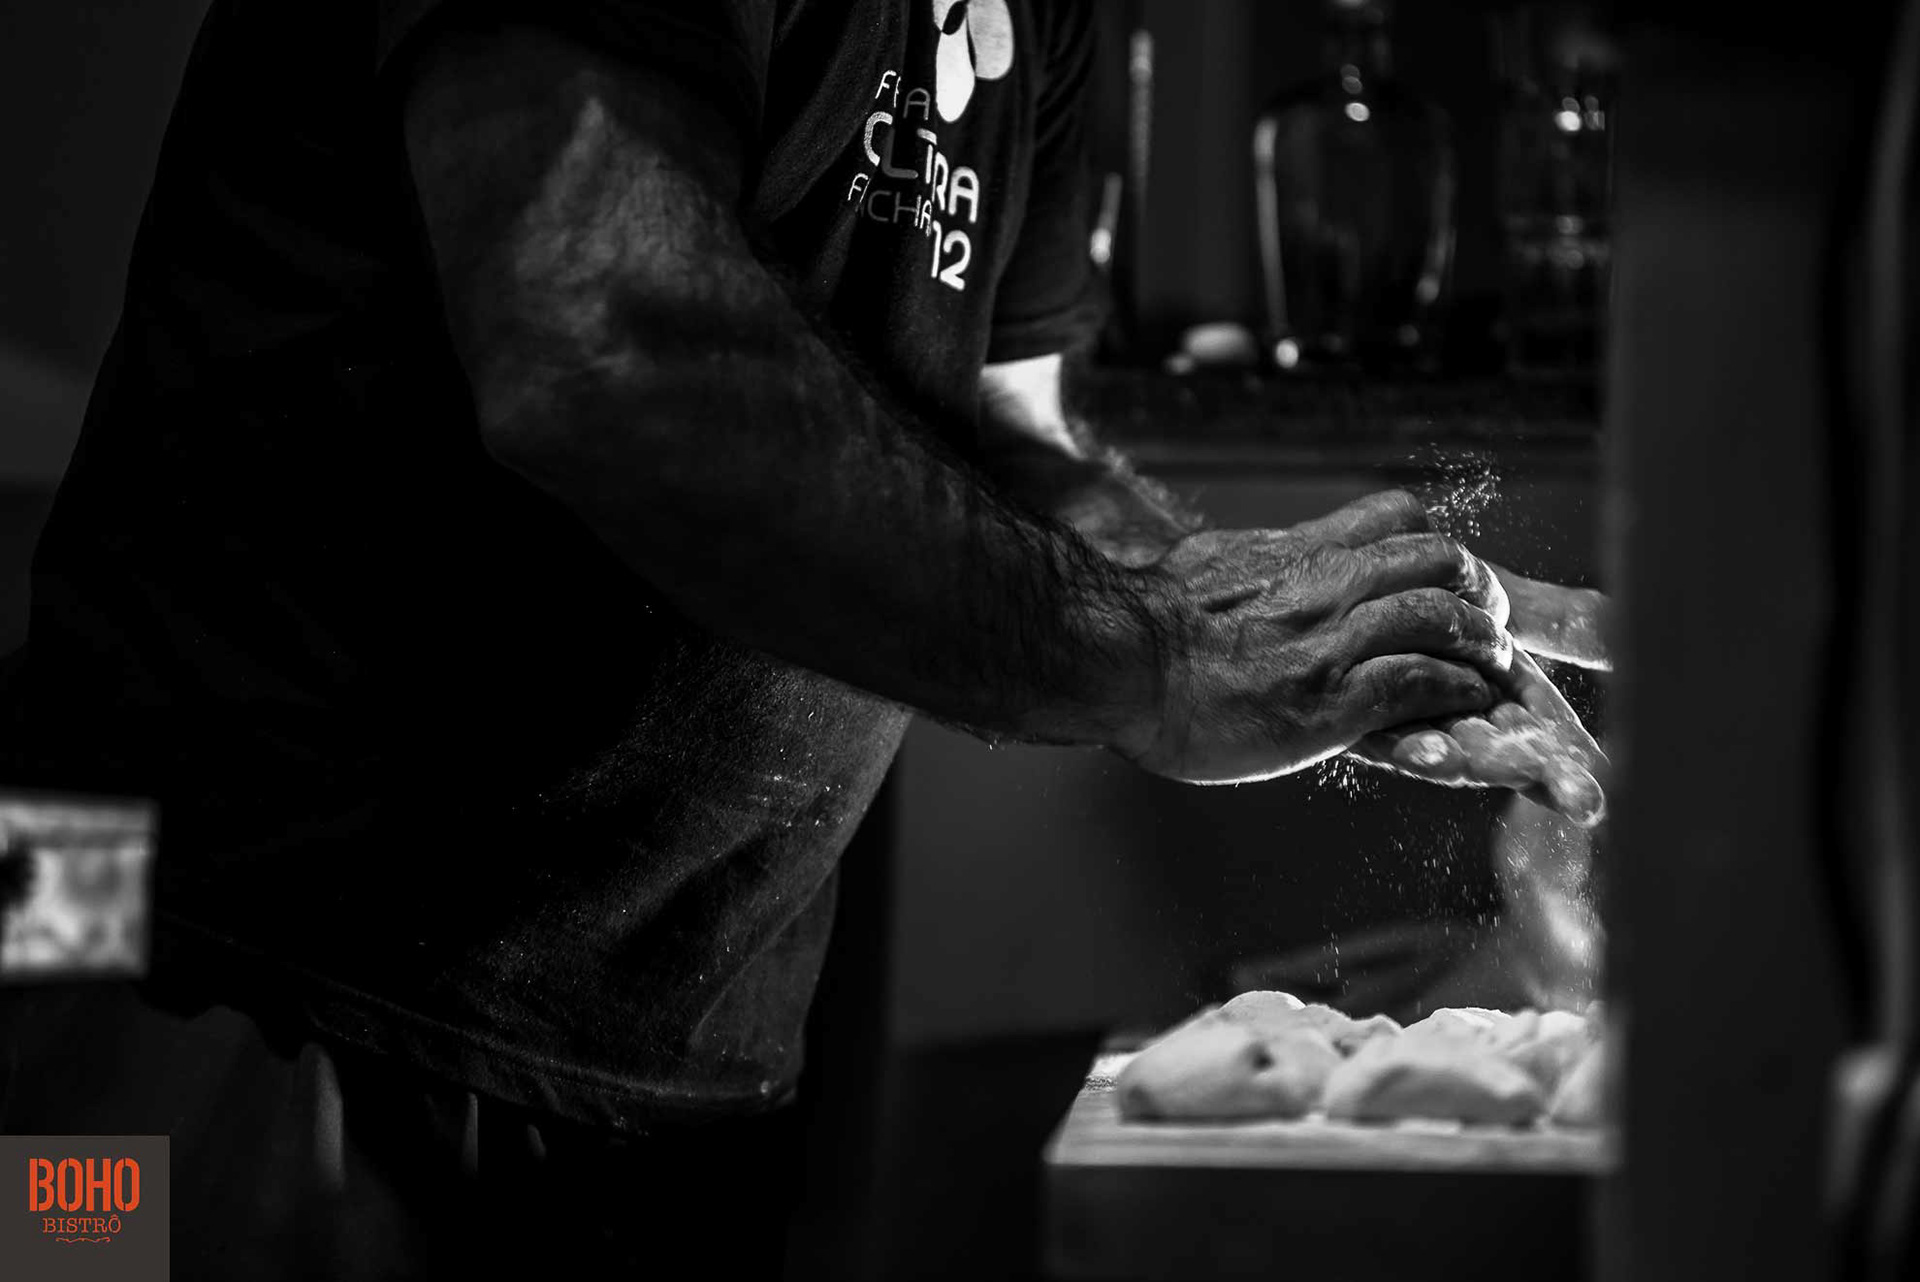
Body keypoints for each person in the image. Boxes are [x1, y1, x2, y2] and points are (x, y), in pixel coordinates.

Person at [0, 0, 1607, 1275]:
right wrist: (1157, 657)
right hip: (201, 942)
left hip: (672, 1036)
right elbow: (600, 339)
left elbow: (1005, 435)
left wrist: (1256, 608)